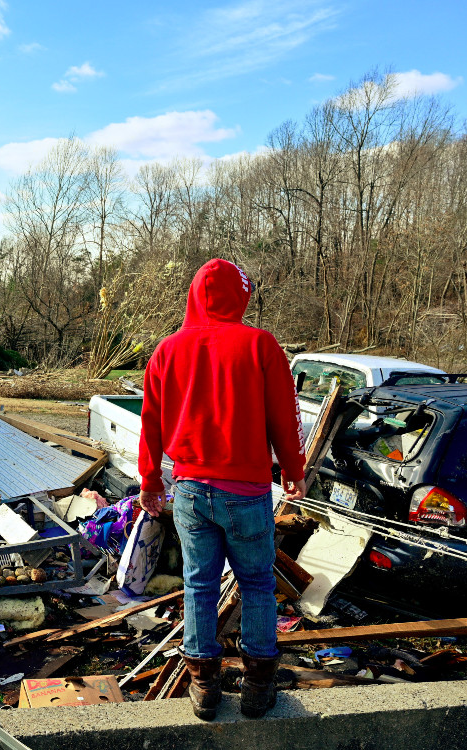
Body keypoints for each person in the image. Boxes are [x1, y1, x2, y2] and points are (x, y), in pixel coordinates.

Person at [136, 258, 307, 720]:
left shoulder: (167, 350)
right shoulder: (260, 344)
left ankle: (204, 687)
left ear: (193, 294)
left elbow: (150, 422)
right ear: (241, 296)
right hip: (247, 492)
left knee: (199, 584)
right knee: (257, 583)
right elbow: (284, 414)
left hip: (191, 489)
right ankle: (257, 686)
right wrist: (293, 468)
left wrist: (150, 479)